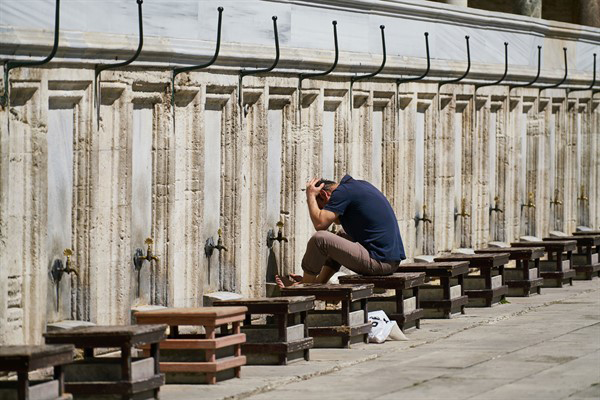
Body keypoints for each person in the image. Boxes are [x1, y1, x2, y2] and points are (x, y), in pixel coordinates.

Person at [276, 175, 406, 287]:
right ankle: (316, 283)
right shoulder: (356, 186)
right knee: (341, 236)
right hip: (390, 261)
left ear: (324, 194)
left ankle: (305, 288)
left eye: (322, 207)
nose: (330, 213)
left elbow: (320, 224)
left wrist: (310, 195)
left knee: (320, 239)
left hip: (380, 262)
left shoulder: (342, 192)